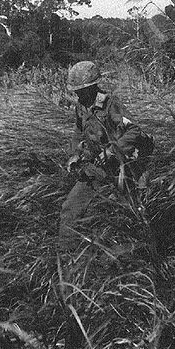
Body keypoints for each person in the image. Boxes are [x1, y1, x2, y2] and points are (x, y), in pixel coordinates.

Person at [59, 61, 154, 250]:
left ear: (92, 87)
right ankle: (65, 257)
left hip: (123, 166)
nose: (78, 94)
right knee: (70, 209)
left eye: (81, 90)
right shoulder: (81, 106)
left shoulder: (111, 104)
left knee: (132, 212)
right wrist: (75, 154)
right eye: (76, 91)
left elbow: (134, 130)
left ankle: (146, 252)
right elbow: (78, 132)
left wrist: (112, 150)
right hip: (97, 166)